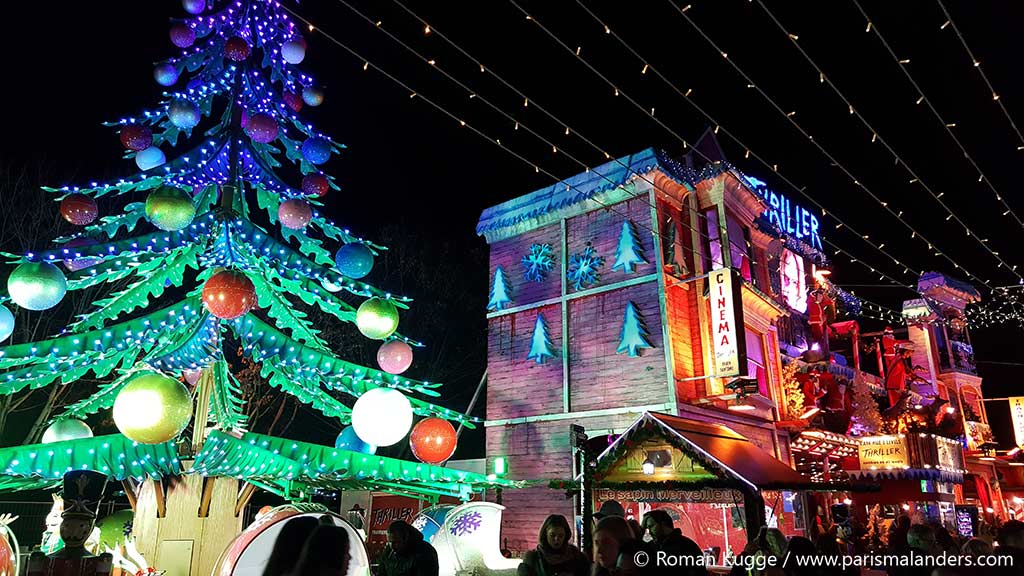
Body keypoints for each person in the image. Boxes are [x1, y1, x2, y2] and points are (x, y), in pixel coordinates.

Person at [518, 514, 590, 576]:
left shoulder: (577, 556)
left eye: (560, 536)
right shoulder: (533, 558)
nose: (556, 539)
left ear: (565, 536)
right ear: (545, 534)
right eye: (552, 535)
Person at [641, 510, 707, 576]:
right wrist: (641, 530)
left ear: (663, 524)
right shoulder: (650, 546)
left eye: (651, 526)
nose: (649, 532)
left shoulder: (687, 547)